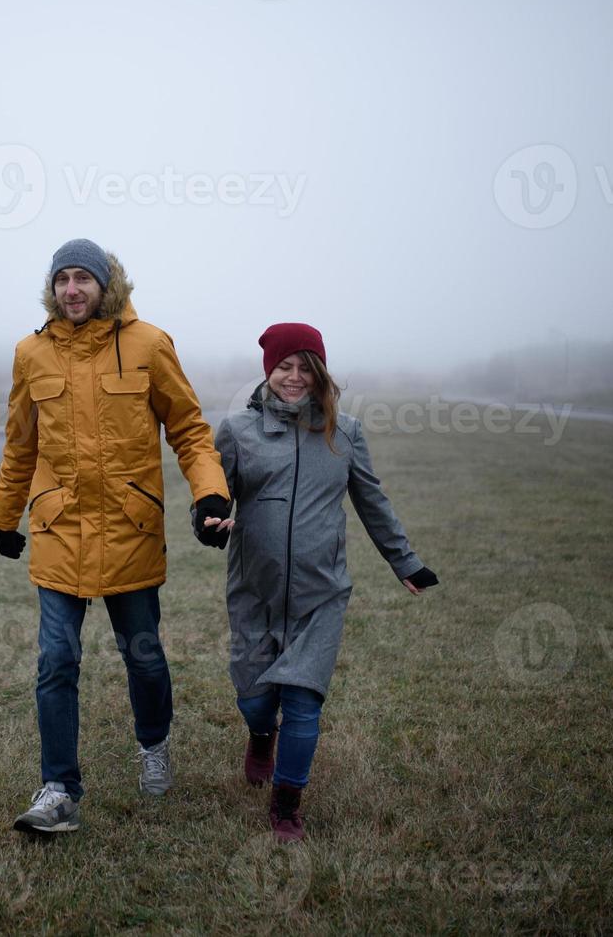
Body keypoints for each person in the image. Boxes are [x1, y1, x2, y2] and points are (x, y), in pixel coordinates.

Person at [0, 238, 231, 835]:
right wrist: (4, 518)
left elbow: (189, 429)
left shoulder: (149, 344)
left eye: (83, 279)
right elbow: (21, 444)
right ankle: (58, 789)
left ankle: (153, 745)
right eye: (62, 279)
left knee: (143, 657)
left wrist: (210, 492)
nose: (71, 289)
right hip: (58, 529)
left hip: (130, 529)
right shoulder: (31, 353)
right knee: (55, 661)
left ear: (107, 285)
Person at [206, 322, 439, 842]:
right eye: (285, 367)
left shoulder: (346, 432)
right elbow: (213, 497)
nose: (294, 377)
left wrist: (405, 562)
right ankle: (260, 735)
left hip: (322, 592)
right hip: (254, 590)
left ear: (320, 372)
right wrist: (208, 524)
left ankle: (287, 804)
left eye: (305, 367)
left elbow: (371, 501)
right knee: (255, 696)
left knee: (305, 701)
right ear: (268, 372)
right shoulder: (238, 432)